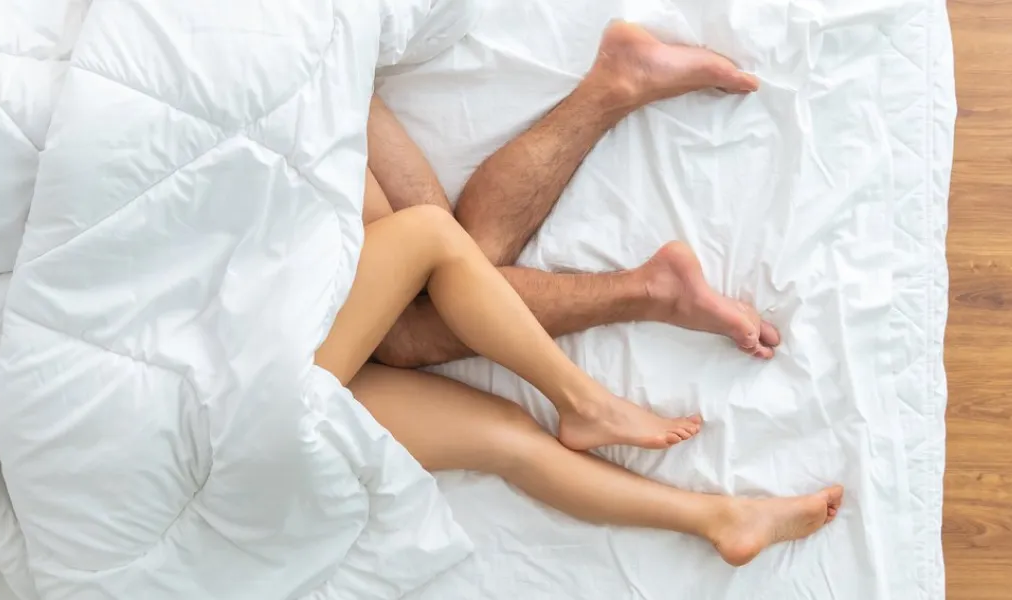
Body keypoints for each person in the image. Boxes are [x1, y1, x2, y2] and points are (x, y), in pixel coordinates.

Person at [314, 21, 842, 567]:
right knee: (422, 275)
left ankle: (648, 295)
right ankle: (631, 421)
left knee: (426, 294)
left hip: (266, 409)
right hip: (265, 405)